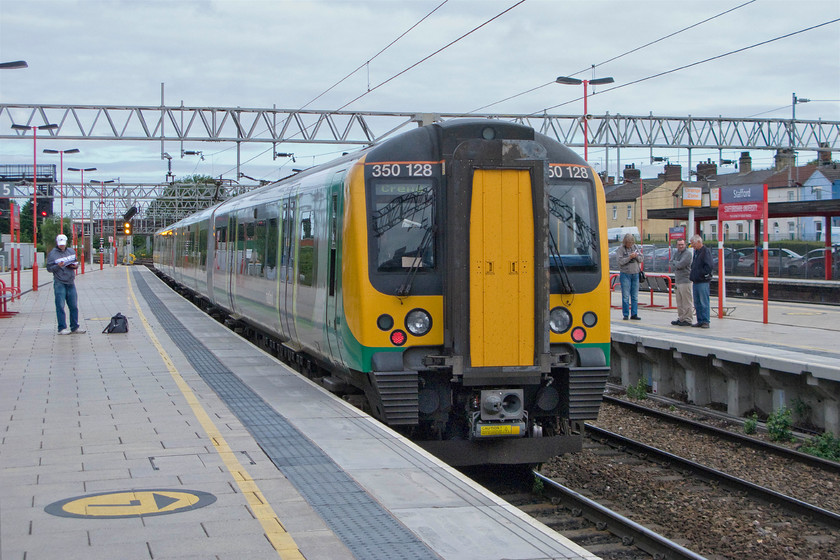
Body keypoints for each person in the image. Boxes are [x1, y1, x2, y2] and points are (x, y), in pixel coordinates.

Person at [46, 234, 86, 335]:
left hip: (70, 281)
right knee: (60, 305)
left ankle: (74, 327)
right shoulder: (53, 254)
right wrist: (58, 267)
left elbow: (75, 263)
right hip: (60, 282)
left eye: (63, 244)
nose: (62, 246)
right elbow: (49, 268)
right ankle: (62, 328)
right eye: (60, 244)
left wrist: (74, 266)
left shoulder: (71, 251)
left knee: (73, 305)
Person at [689, 234, 713, 328]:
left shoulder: (705, 252)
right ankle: (700, 320)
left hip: (702, 281)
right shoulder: (697, 252)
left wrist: (701, 274)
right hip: (696, 281)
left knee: (704, 302)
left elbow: (709, 266)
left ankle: (705, 321)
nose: (692, 246)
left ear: (699, 242)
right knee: (697, 302)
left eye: (693, 244)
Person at [616, 233, 642, 320]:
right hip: (625, 274)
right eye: (628, 243)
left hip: (635, 274)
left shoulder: (635, 247)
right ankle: (626, 314)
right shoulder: (621, 249)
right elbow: (620, 262)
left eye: (631, 243)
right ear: (625, 242)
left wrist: (636, 256)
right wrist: (629, 258)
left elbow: (642, 259)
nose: (630, 245)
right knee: (626, 296)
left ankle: (634, 314)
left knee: (634, 296)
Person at [669, 239, 694, 326]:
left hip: (685, 280)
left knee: (686, 301)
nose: (681, 246)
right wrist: (675, 263)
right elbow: (670, 263)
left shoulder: (688, 254)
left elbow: (681, 264)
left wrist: (675, 263)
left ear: (685, 245)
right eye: (679, 244)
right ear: (676, 245)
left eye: (682, 244)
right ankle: (681, 318)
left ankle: (688, 319)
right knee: (679, 301)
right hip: (678, 280)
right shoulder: (676, 253)